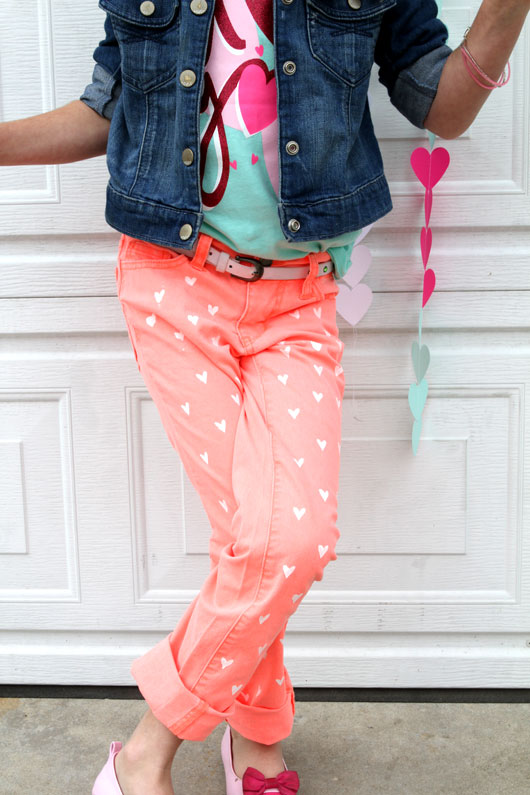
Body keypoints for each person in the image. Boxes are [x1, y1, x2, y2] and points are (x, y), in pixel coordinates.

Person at [1, 1, 527, 793]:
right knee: (255, 539)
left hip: (300, 297)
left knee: (291, 538)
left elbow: (442, 105)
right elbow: (103, 108)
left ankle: (146, 750)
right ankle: (257, 738)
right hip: (171, 284)